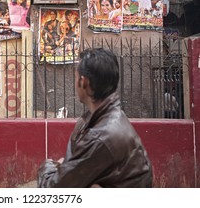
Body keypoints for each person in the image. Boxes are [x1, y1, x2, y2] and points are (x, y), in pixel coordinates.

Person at [38, 48, 153, 187]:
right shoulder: (108, 118)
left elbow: (54, 189)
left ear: (84, 82)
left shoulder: (101, 136)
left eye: (75, 77)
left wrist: (49, 166)